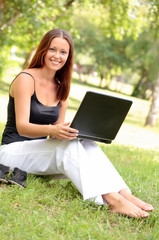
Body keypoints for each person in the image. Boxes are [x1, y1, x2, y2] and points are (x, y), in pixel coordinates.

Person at [0, 28, 153, 218]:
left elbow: (54, 134)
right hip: (11, 153)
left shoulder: (61, 86)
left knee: (85, 143)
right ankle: (113, 200)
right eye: (52, 49)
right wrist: (54, 130)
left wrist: (66, 131)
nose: (57, 56)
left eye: (63, 52)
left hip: (36, 157)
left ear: (69, 56)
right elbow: (22, 126)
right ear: (43, 50)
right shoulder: (26, 79)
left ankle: (124, 193)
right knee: (67, 148)